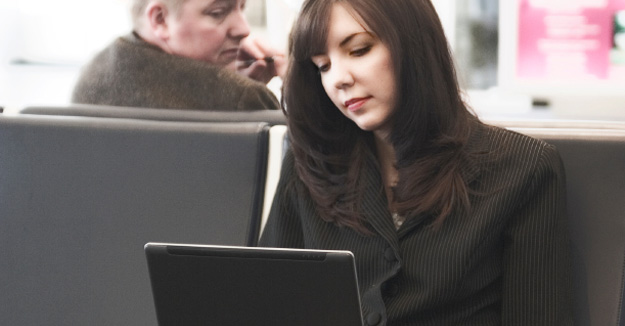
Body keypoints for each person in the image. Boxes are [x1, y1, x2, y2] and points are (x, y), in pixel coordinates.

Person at [259, 0, 574, 325]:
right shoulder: (310, 165)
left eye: (359, 50)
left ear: (413, 44)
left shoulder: (523, 169)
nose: (338, 78)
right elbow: (265, 303)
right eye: (323, 66)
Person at [71, 0, 283, 111]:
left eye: (242, 7)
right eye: (218, 12)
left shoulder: (90, 76)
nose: (243, 28)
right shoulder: (243, 98)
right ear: (160, 19)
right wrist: (298, 85)